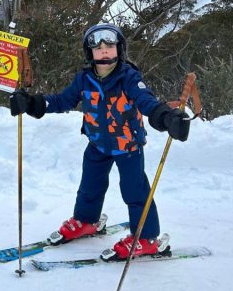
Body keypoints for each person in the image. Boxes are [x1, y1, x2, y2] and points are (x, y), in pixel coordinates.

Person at [10, 23, 190, 260]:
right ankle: (86, 220)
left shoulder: (129, 77)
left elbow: (145, 100)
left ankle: (146, 239)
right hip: (97, 143)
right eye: (98, 47)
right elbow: (62, 100)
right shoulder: (84, 79)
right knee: (90, 186)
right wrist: (32, 103)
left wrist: (166, 116)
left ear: (119, 49)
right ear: (89, 52)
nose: (104, 51)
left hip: (127, 145)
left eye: (110, 45)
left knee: (134, 191)